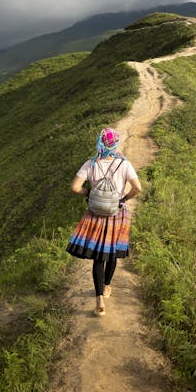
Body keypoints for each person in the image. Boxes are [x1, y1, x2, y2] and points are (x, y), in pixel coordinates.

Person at [66, 126, 142, 316]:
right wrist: (124, 198)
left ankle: (99, 298)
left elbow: (75, 187)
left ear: (99, 142)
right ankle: (107, 286)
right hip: (116, 214)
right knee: (112, 254)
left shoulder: (90, 164)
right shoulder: (124, 164)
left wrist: (89, 193)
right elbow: (138, 188)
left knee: (98, 258)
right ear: (115, 143)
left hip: (95, 215)